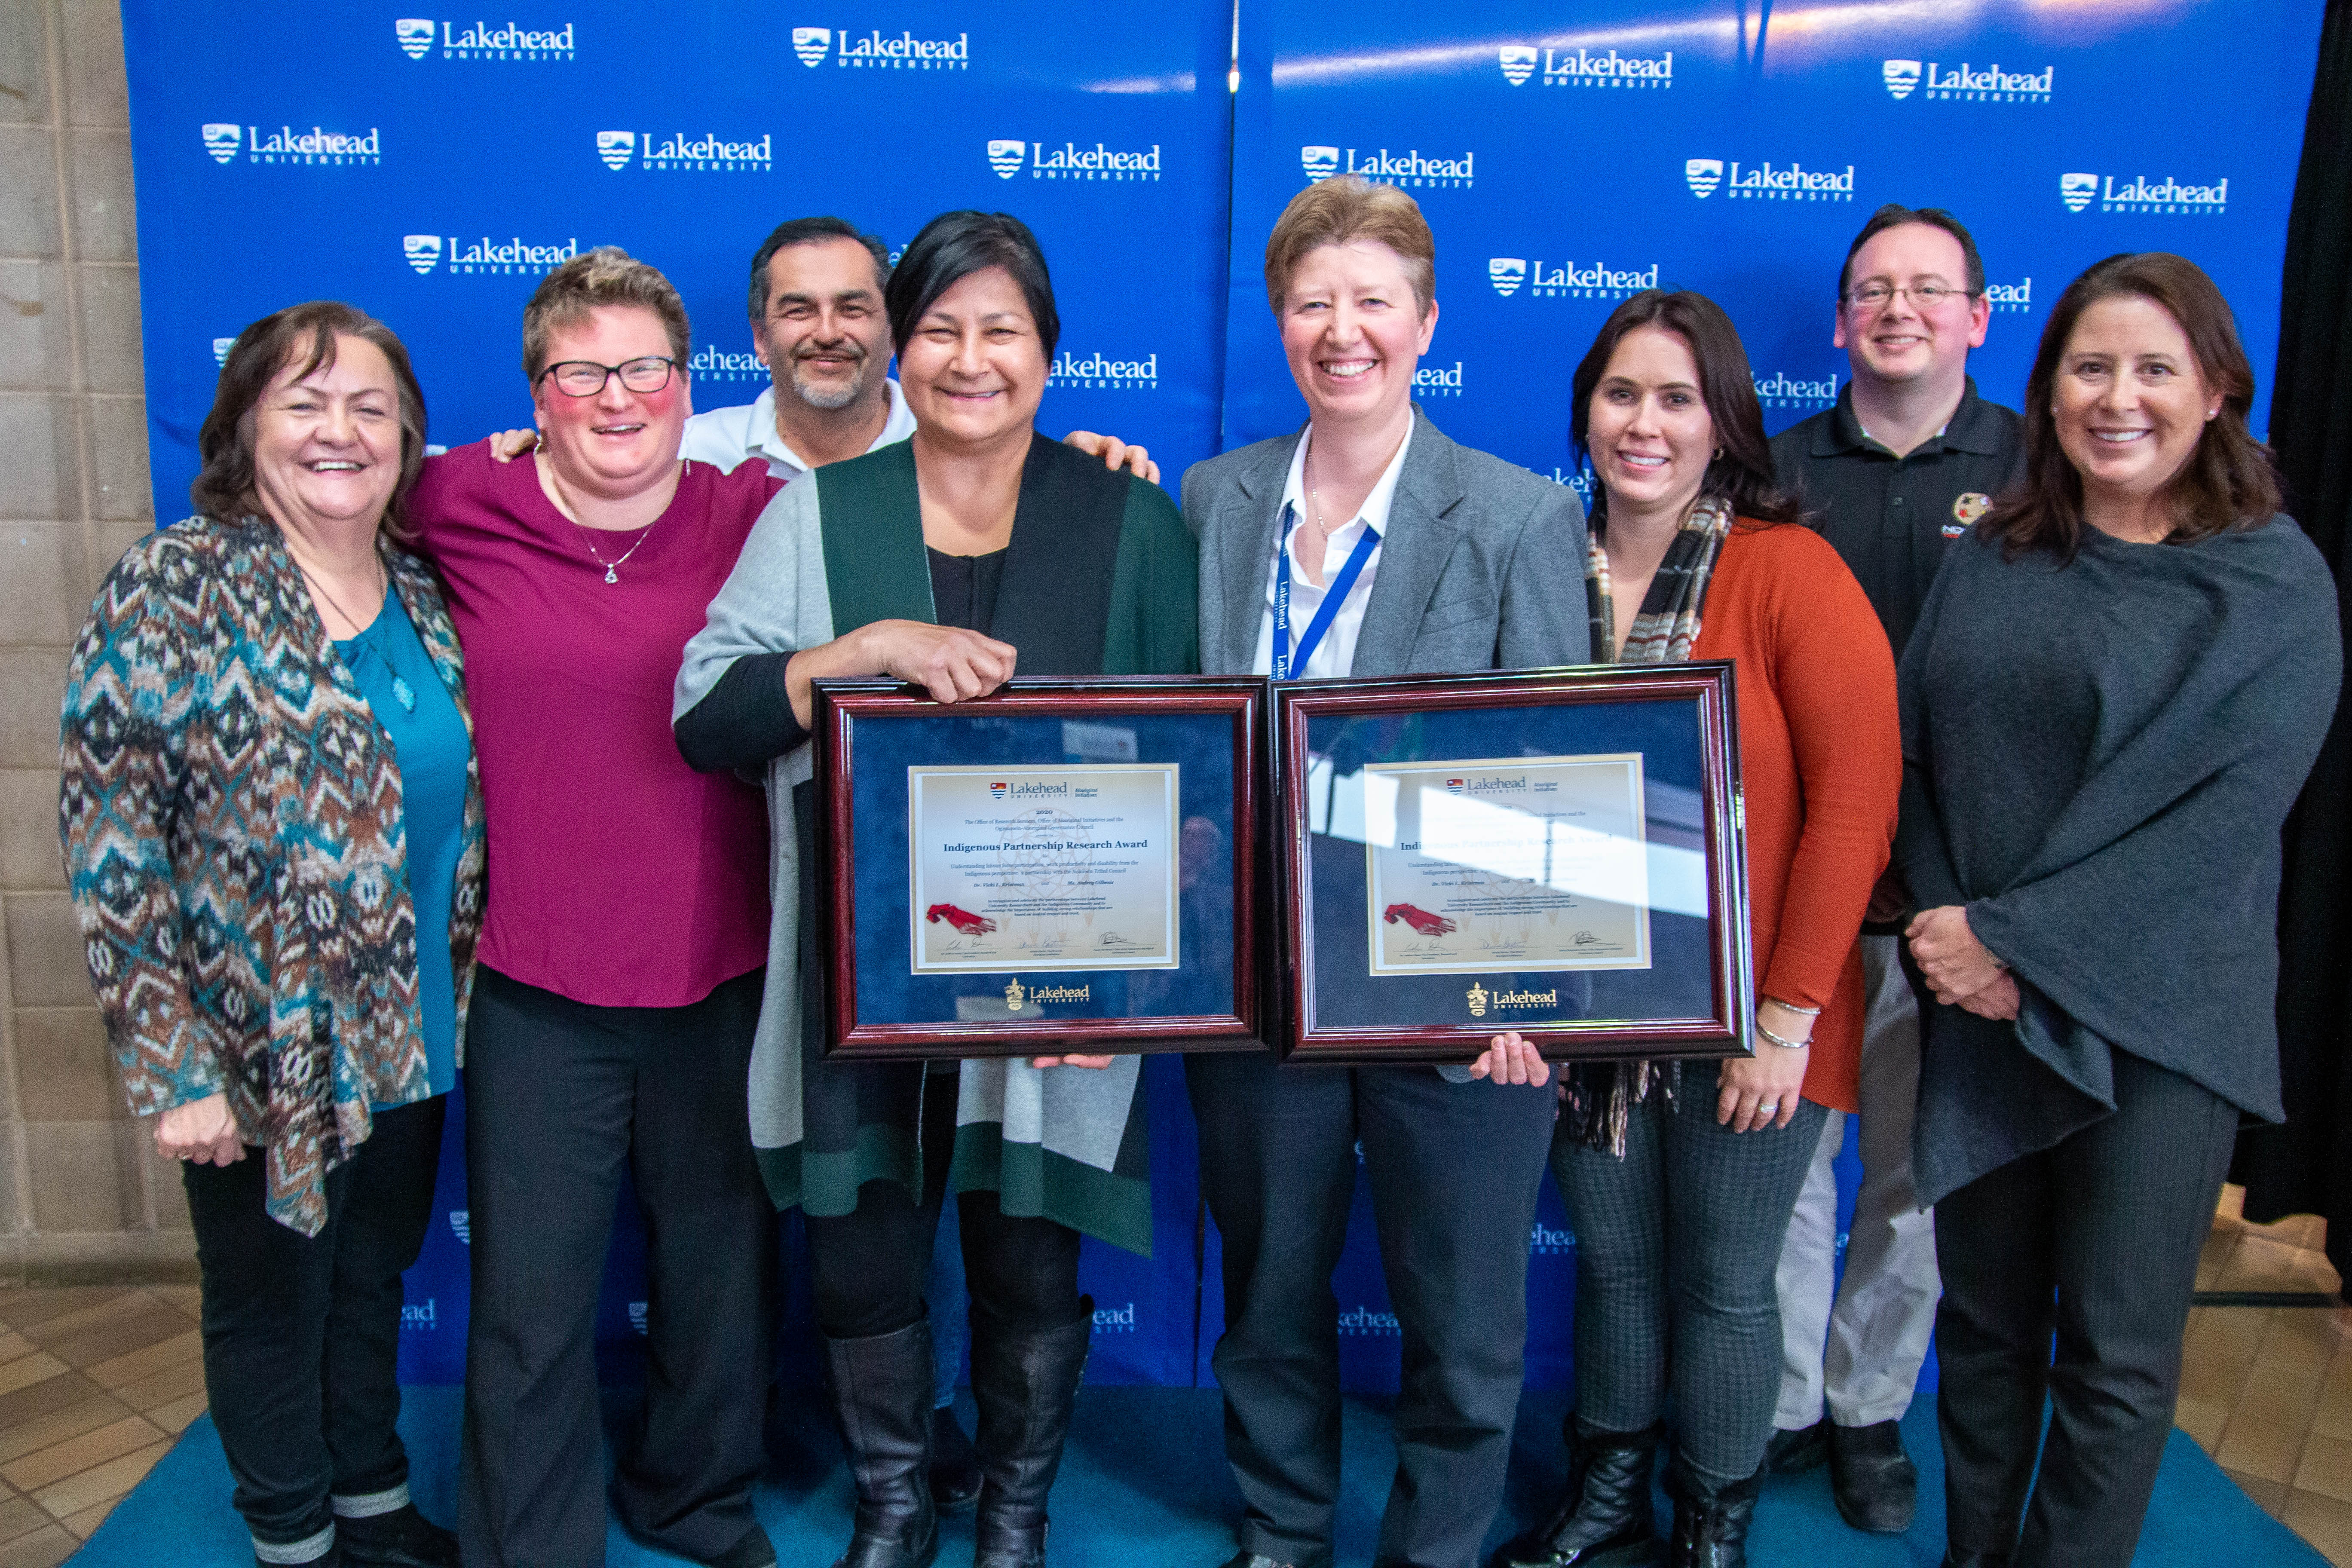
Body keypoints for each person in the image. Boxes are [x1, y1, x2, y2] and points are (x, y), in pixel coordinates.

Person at [674, 208, 1198, 1568]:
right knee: (862, 1255)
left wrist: (1141, 989)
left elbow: (1199, 781)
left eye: (1003, 330)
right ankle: (896, 1506)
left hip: (1065, 980)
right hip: (864, 980)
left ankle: (1013, 1518)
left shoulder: (1133, 519)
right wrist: (852, 649)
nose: (973, 359)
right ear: (903, 352)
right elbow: (708, 716)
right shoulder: (819, 514)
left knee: (1030, 1254)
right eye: (944, 331)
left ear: (1050, 351)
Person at [1897, 252, 2339, 1568]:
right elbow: (1916, 751)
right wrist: (1944, 927)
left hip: (2157, 1021)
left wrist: (2007, 942)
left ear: (2216, 391)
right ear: (2048, 389)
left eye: (2156, 369)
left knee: (2115, 1346)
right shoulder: (2000, 551)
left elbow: (2219, 825)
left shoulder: (2273, 584)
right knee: (1981, 1322)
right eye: (2091, 367)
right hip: (1979, 997)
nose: (2119, 397)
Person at [1179, 175, 1588, 1568]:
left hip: (1451, 981)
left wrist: (1533, 989)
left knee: (1466, 1321)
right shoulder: (1213, 499)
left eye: (1372, 302)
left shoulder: (1519, 514)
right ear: (1281, 323)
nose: (1341, 330)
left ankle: (1434, 1552)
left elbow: (1554, 769)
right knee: (1270, 1292)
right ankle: (1285, 1531)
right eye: (1313, 303)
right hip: (1262, 983)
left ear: (1425, 322)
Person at [59, 302, 479, 1568]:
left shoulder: (419, 585)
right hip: (258, 1039)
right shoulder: (177, 580)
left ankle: (371, 1504)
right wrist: (173, 1064)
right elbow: (109, 833)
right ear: (246, 427)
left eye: (368, 406)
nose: (338, 431)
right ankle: (293, 1538)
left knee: (370, 1280)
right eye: (304, 404)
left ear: (407, 432)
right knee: (269, 1299)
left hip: (415, 1025)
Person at [1496, 290, 1899, 1568]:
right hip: (1586, 1006)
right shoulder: (1540, 563)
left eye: (1677, 399)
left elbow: (1854, 810)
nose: (1646, 424)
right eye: (1621, 395)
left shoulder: (1788, 570)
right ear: (1585, 413)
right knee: (1613, 1266)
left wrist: (1786, 1020)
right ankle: (1608, 1493)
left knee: (1725, 1278)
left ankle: (1711, 1521)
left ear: (1725, 422)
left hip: (1755, 1021)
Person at [409, 248, 784, 1568]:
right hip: (537, 985)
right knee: (528, 1301)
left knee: (719, 1277)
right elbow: (316, 505)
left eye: (643, 369)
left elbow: (949, 499)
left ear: (691, 386)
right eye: (581, 373)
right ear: (537, 393)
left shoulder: (761, 506)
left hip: (723, 973)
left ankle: (695, 1501)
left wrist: (1094, 456)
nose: (615, 397)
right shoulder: (458, 496)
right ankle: (528, 1542)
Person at [1760, 203, 2024, 1532]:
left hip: (1956, 910)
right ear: (1840, 320)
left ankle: (1869, 1409)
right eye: (1873, 290)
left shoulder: (2042, 475)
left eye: (1929, 290)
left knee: (1917, 1179)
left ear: (1981, 315)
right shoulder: (1779, 468)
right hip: (1798, 898)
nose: (1898, 309)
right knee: (1789, 1172)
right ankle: (1787, 1402)